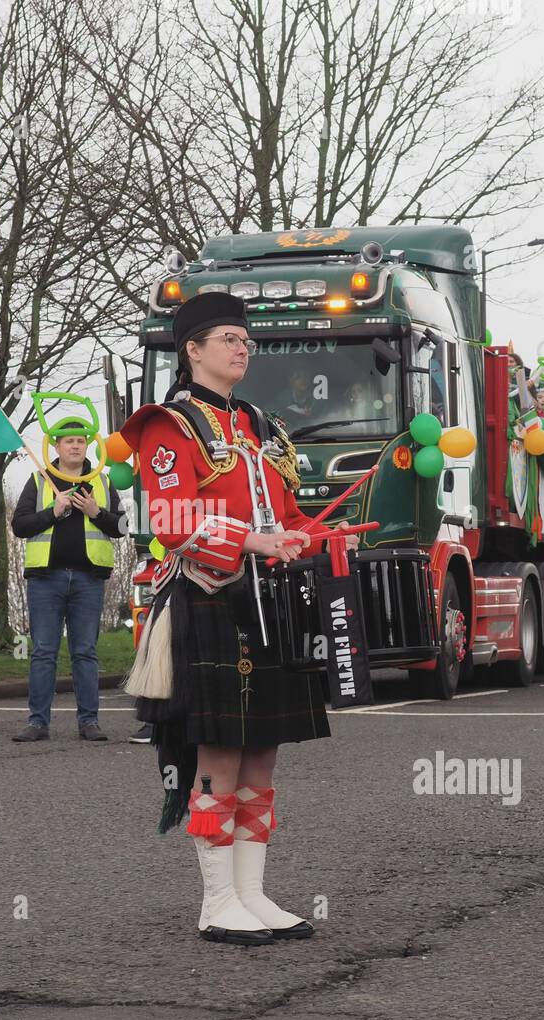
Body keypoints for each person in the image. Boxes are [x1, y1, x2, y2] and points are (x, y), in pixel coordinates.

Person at [118, 292, 357, 945]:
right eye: (227, 338)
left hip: (272, 602)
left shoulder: (261, 424)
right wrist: (249, 541)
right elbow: (169, 523)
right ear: (192, 350)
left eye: (244, 338)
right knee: (218, 754)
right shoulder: (171, 424)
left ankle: (251, 893)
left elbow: (283, 521)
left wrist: (322, 538)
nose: (241, 347)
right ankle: (216, 900)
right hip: (210, 597)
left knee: (262, 756)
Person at [10, 418, 125, 742]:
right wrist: (53, 510)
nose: (75, 445)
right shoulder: (38, 479)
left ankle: (89, 722)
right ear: (56, 446)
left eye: (80, 440)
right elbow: (19, 526)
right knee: (43, 651)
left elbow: (121, 528)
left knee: (85, 652)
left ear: (87, 445)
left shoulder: (101, 481)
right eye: (68, 441)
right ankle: (37, 723)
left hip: (89, 579)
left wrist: (95, 511)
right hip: (46, 580)